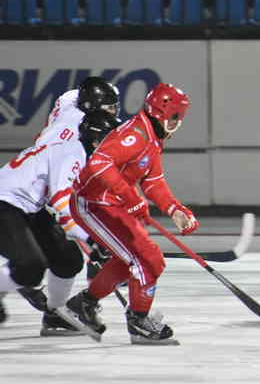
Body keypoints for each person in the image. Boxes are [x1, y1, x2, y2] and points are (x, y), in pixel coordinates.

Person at [67, 82, 198, 345]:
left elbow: (153, 182)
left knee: (149, 260)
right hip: (94, 204)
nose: (178, 124)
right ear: (161, 112)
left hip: (112, 204)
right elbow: (99, 163)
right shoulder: (137, 134)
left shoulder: (152, 136)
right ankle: (139, 322)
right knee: (146, 260)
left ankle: (85, 303)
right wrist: (130, 197)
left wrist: (175, 210)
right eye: (176, 117)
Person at [0, 110, 120, 336]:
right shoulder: (73, 153)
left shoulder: (82, 154)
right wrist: (91, 239)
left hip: (27, 207)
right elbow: (62, 200)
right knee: (30, 268)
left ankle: (55, 315)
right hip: (5, 203)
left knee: (69, 259)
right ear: (97, 139)